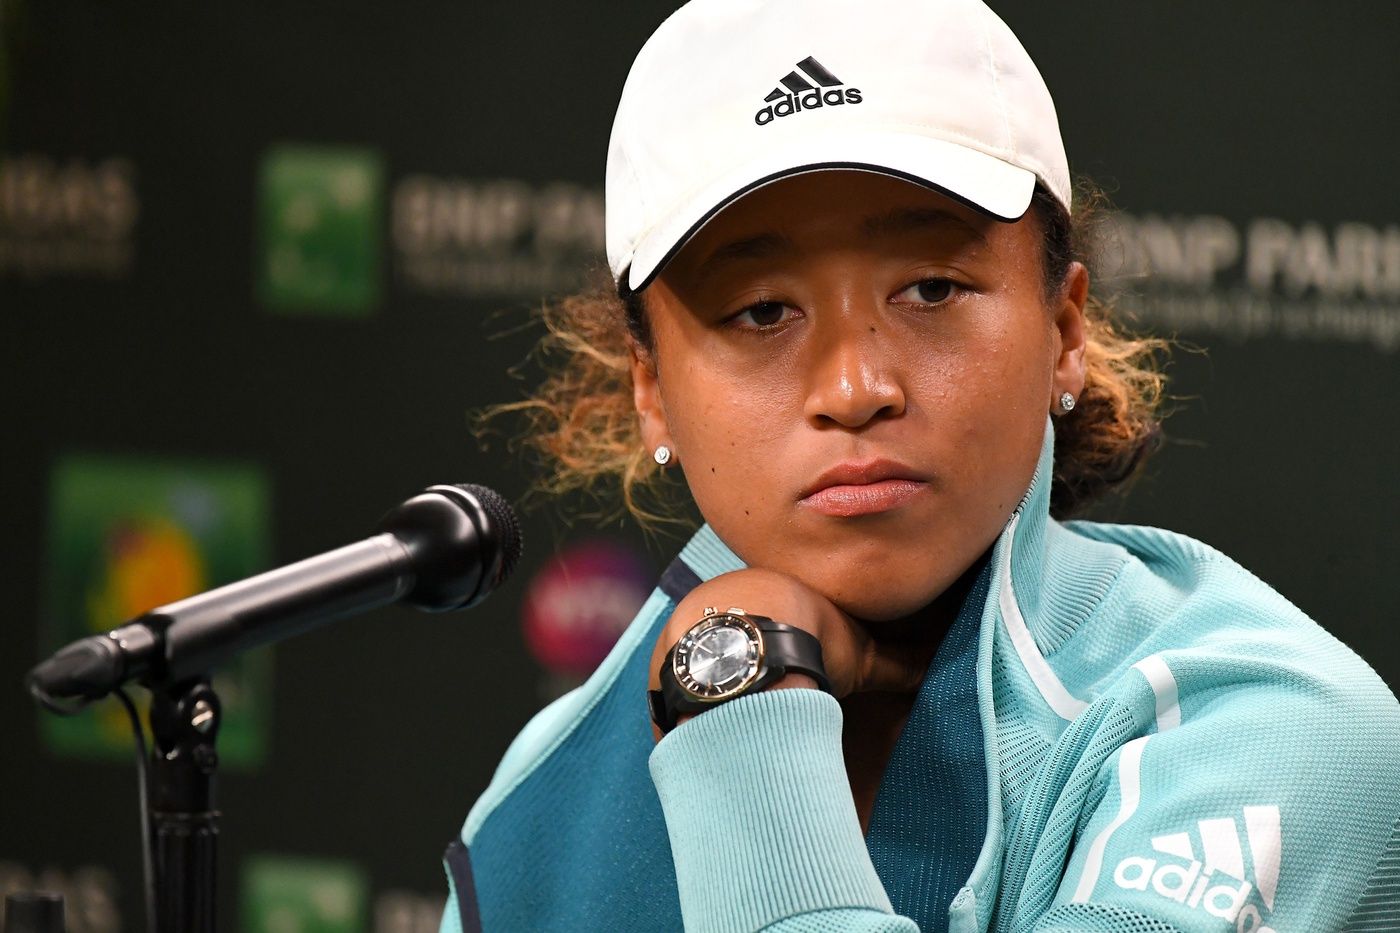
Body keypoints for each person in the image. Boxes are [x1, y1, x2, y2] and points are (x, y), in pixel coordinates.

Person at [440, 0, 1400, 930]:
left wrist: (738, 699)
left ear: (1063, 330)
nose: (856, 385)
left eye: (930, 288)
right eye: (762, 311)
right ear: (651, 386)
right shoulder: (538, 807)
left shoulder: (1266, 720)